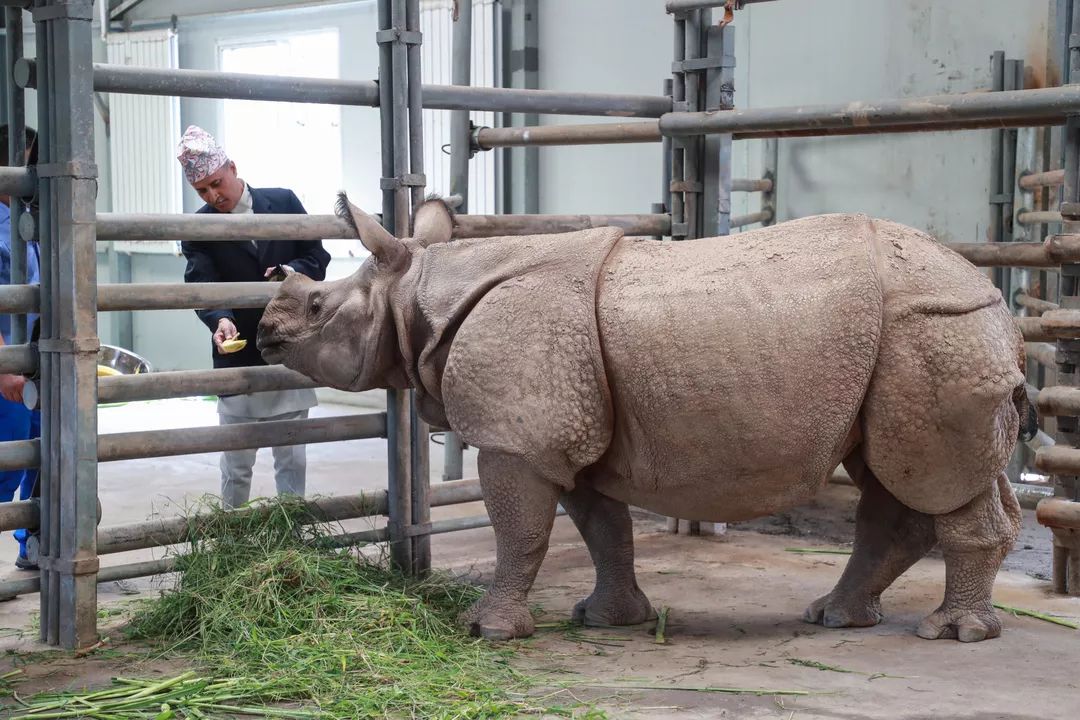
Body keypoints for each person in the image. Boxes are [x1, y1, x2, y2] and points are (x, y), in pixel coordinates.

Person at [177, 125, 331, 509]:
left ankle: (294, 538)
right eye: (202, 191)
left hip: (291, 348)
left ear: (232, 167)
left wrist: (291, 271)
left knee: (292, 459)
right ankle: (233, 536)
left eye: (216, 183)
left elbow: (318, 258)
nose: (214, 196)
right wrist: (220, 319)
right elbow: (201, 281)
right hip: (239, 354)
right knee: (237, 463)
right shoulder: (198, 227)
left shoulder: (285, 201)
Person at [0, 124, 39, 570]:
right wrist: (5, 367)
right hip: (7, 370)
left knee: (44, 459)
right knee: (6, 463)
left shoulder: (34, 217)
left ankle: (34, 547)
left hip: (40, 363)